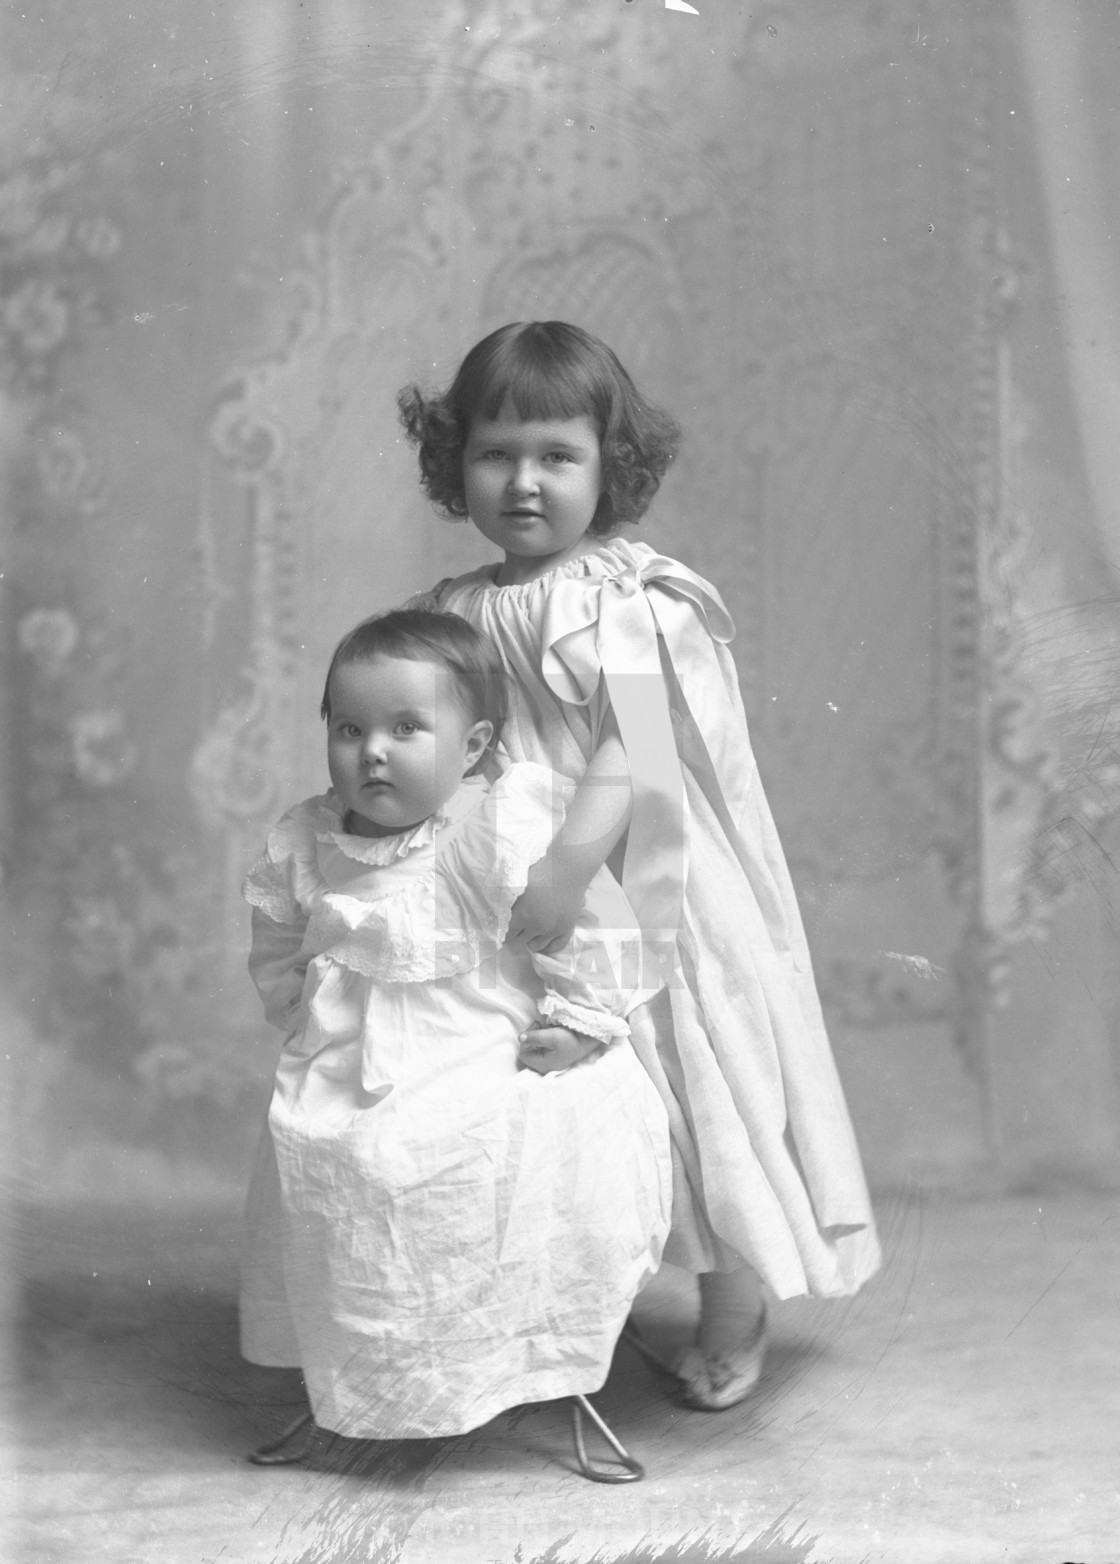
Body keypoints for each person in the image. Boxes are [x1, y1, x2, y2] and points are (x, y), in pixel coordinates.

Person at [398, 320, 882, 1412]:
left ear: (608, 466)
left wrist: (575, 864)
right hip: (519, 884)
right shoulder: (461, 609)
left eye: (556, 456)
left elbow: (639, 749)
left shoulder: (622, 595)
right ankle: (571, 1303)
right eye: (495, 454)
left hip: (631, 872)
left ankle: (730, 1303)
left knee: (682, 1082)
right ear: (454, 461)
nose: (524, 482)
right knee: (551, 1098)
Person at [238, 608, 671, 1474]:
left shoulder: (493, 826)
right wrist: (298, 1009)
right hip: (354, 1057)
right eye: (350, 729)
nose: (374, 753)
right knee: (328, 1157)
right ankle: (370, 1379)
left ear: (472, 747)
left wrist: (582, 1024)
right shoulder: (310, 838)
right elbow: (281, 941)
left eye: (407, 729)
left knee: (441, 1161)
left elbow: (589, 927)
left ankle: (500, 1362)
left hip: (479, 1044)